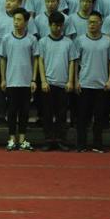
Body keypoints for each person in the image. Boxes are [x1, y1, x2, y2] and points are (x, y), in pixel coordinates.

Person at [74, 11, 110, 152]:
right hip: (84, 84)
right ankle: (81, 144)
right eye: (89, 22)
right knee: (82, 117)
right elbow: (75, 62)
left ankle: (98, 144)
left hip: (102, 86)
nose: (91, 25)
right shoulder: (80, 40)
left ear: (100, 23)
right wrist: (76, 80)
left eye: (94, 22)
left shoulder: (107, 41)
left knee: (99, 117)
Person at [0, 8, 38, 151]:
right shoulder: (6, 38)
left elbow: (36, 59)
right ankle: (11, 139)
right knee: (12, 111)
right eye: (15, 19)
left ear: (26, 22)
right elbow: (3, 59)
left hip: (26, 82)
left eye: (19, 19)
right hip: (11, 81)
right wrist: (3, 79)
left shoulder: (32, 39)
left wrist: (33, 80)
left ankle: (22, 139)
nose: (16, 22)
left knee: (24, 112)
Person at [38, 12, 76, 151]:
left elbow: (72, 62)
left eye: (60, 25)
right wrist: (43, 81)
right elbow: (40, 61)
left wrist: (70, 81)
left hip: (63, 84)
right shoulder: (43, 42)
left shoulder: (68, 42)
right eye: (55, 25)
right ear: (49, 25)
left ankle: (61, 140)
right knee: (47, 114)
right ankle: (48, 140)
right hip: (48, 84)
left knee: (62, 115)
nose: (57, 28)